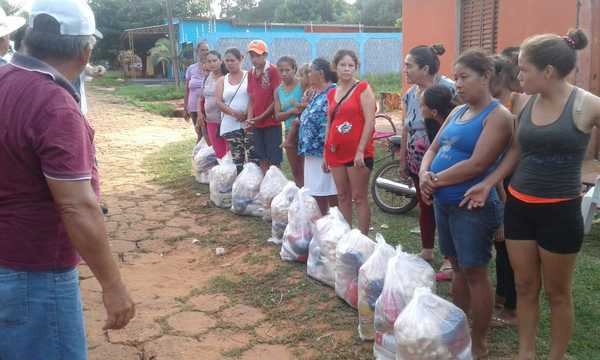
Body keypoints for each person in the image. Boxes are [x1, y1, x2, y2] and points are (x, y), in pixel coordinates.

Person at [0, 0, 135, 359]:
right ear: (86, 51)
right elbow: (76, 205)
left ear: (28, 37)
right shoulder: (52, 104)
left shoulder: (5, 80)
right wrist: (113, 284)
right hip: (35, 271)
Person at [462, 30, 600, 360]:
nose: (518, 76)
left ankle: (555, 355)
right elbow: (515, 153)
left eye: (524, 70)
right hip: (520, 207)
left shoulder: (587, 105)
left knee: (557, 293)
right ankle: (526, 353)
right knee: (525, 287)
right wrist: (489, 181)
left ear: (548, 71)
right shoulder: (523, 103)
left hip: (561, 211)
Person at [419, 49, 513, 359]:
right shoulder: (457, 113)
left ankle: (480, 341)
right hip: (443, 203)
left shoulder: (498, 116)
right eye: (455, 77)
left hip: (471, 207)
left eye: (464, 77)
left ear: (486, 77)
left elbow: (478, 164)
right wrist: (423, 174)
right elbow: (433, 148)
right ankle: (459, 331)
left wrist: (435, 179)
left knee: (474, 271)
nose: (457, 84)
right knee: (457, 268)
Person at [401, 44, 456, 270]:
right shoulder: (409, 94)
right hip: (417, 159)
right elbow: (406, 127)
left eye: (409, 66)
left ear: (425, 68)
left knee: (445, 207)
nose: (405, 70)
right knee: (425, 204)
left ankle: (449, 259)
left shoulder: (450, 89)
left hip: (445, 161)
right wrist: (404, 157)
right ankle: (426, 251)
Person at [324, 49, 376, 234]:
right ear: (335, 67)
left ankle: (362, 239)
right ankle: (346, 235)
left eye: (350, 65)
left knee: (359, 196)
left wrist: (360, 150)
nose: (347, 69)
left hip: (357, 154)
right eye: (343, 65)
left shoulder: (363, 88)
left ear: (356, 67)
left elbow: (370, 121)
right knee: (342, 196)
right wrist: (325, 153)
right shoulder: (332, 93)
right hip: (335, 152)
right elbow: (329, 123)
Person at [488, 54, 522, 327]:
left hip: (512, 182)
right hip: (498, 180)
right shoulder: (496, 104)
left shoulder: (516, 106)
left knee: (509, 247)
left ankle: (512, 307)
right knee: (501, 245)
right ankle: (501, 296)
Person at [298, 58, 338, 215]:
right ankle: (323, 222)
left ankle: (336, 222)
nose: (308, 75)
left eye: (310, 71)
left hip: (324, 152)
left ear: (321, 73)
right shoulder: (316, 93)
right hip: (311, 152)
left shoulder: (333, 92)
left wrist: (328, 151)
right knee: (316, 190)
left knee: (330, 190)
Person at [246, 40, 282, 173]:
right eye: (252, 56)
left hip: (271, 121)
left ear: (265, 55)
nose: (254, 59)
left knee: (275, 159)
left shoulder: (273, 71)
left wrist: (261, 116)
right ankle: (265, 186)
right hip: (256, 124)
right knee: (261, 156)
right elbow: (251, 98)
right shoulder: (250, 73)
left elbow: (276, 99)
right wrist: (250, 118)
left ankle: (276, 186)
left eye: (258, 55)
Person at [216, 48, 251, 174]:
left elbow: (254, 96)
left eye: (233, 60)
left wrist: (246, 113)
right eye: (227, 61)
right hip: (230, 125)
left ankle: (253, 186)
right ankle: (240, 187)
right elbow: (219, 102)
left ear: (241, 60)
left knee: (253, 157)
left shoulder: (249, 76)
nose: (230, 63)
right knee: (238, 159)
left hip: (249, 123)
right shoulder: (222, 80)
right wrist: (235, 113)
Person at [274, 56, 304, 187]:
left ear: (294, 69)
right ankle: (300, 195)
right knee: (295, 169)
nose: (284, 73)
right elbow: (277, 116)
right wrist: (291, 112)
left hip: (304, 130)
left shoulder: (302, 85)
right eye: (281, 70)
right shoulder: (278, 91)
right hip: (288, 132)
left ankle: (311, 196)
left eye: (287, 70)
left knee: (306, 167)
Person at [199, 50, 228, 158]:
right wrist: (199, 112)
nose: (212, 63)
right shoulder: (207, 77)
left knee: (228, 154)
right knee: (219, 153)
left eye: (214, 60)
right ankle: (222, 174)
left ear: (221, 61)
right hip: (211, 121)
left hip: (225, 121)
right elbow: (201, 96)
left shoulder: (227, 77)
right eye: (209, 61)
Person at [185, 41, 209, 143]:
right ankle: (200, 156)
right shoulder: (191, 69)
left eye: (207, 50)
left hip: (207, 106)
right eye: (202, 50)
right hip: (194, 106)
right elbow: (187, 89)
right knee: (199, 133)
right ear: (197, 52)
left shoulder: (212, 67)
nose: (205, 52)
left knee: (208, 134)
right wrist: (185, 106)